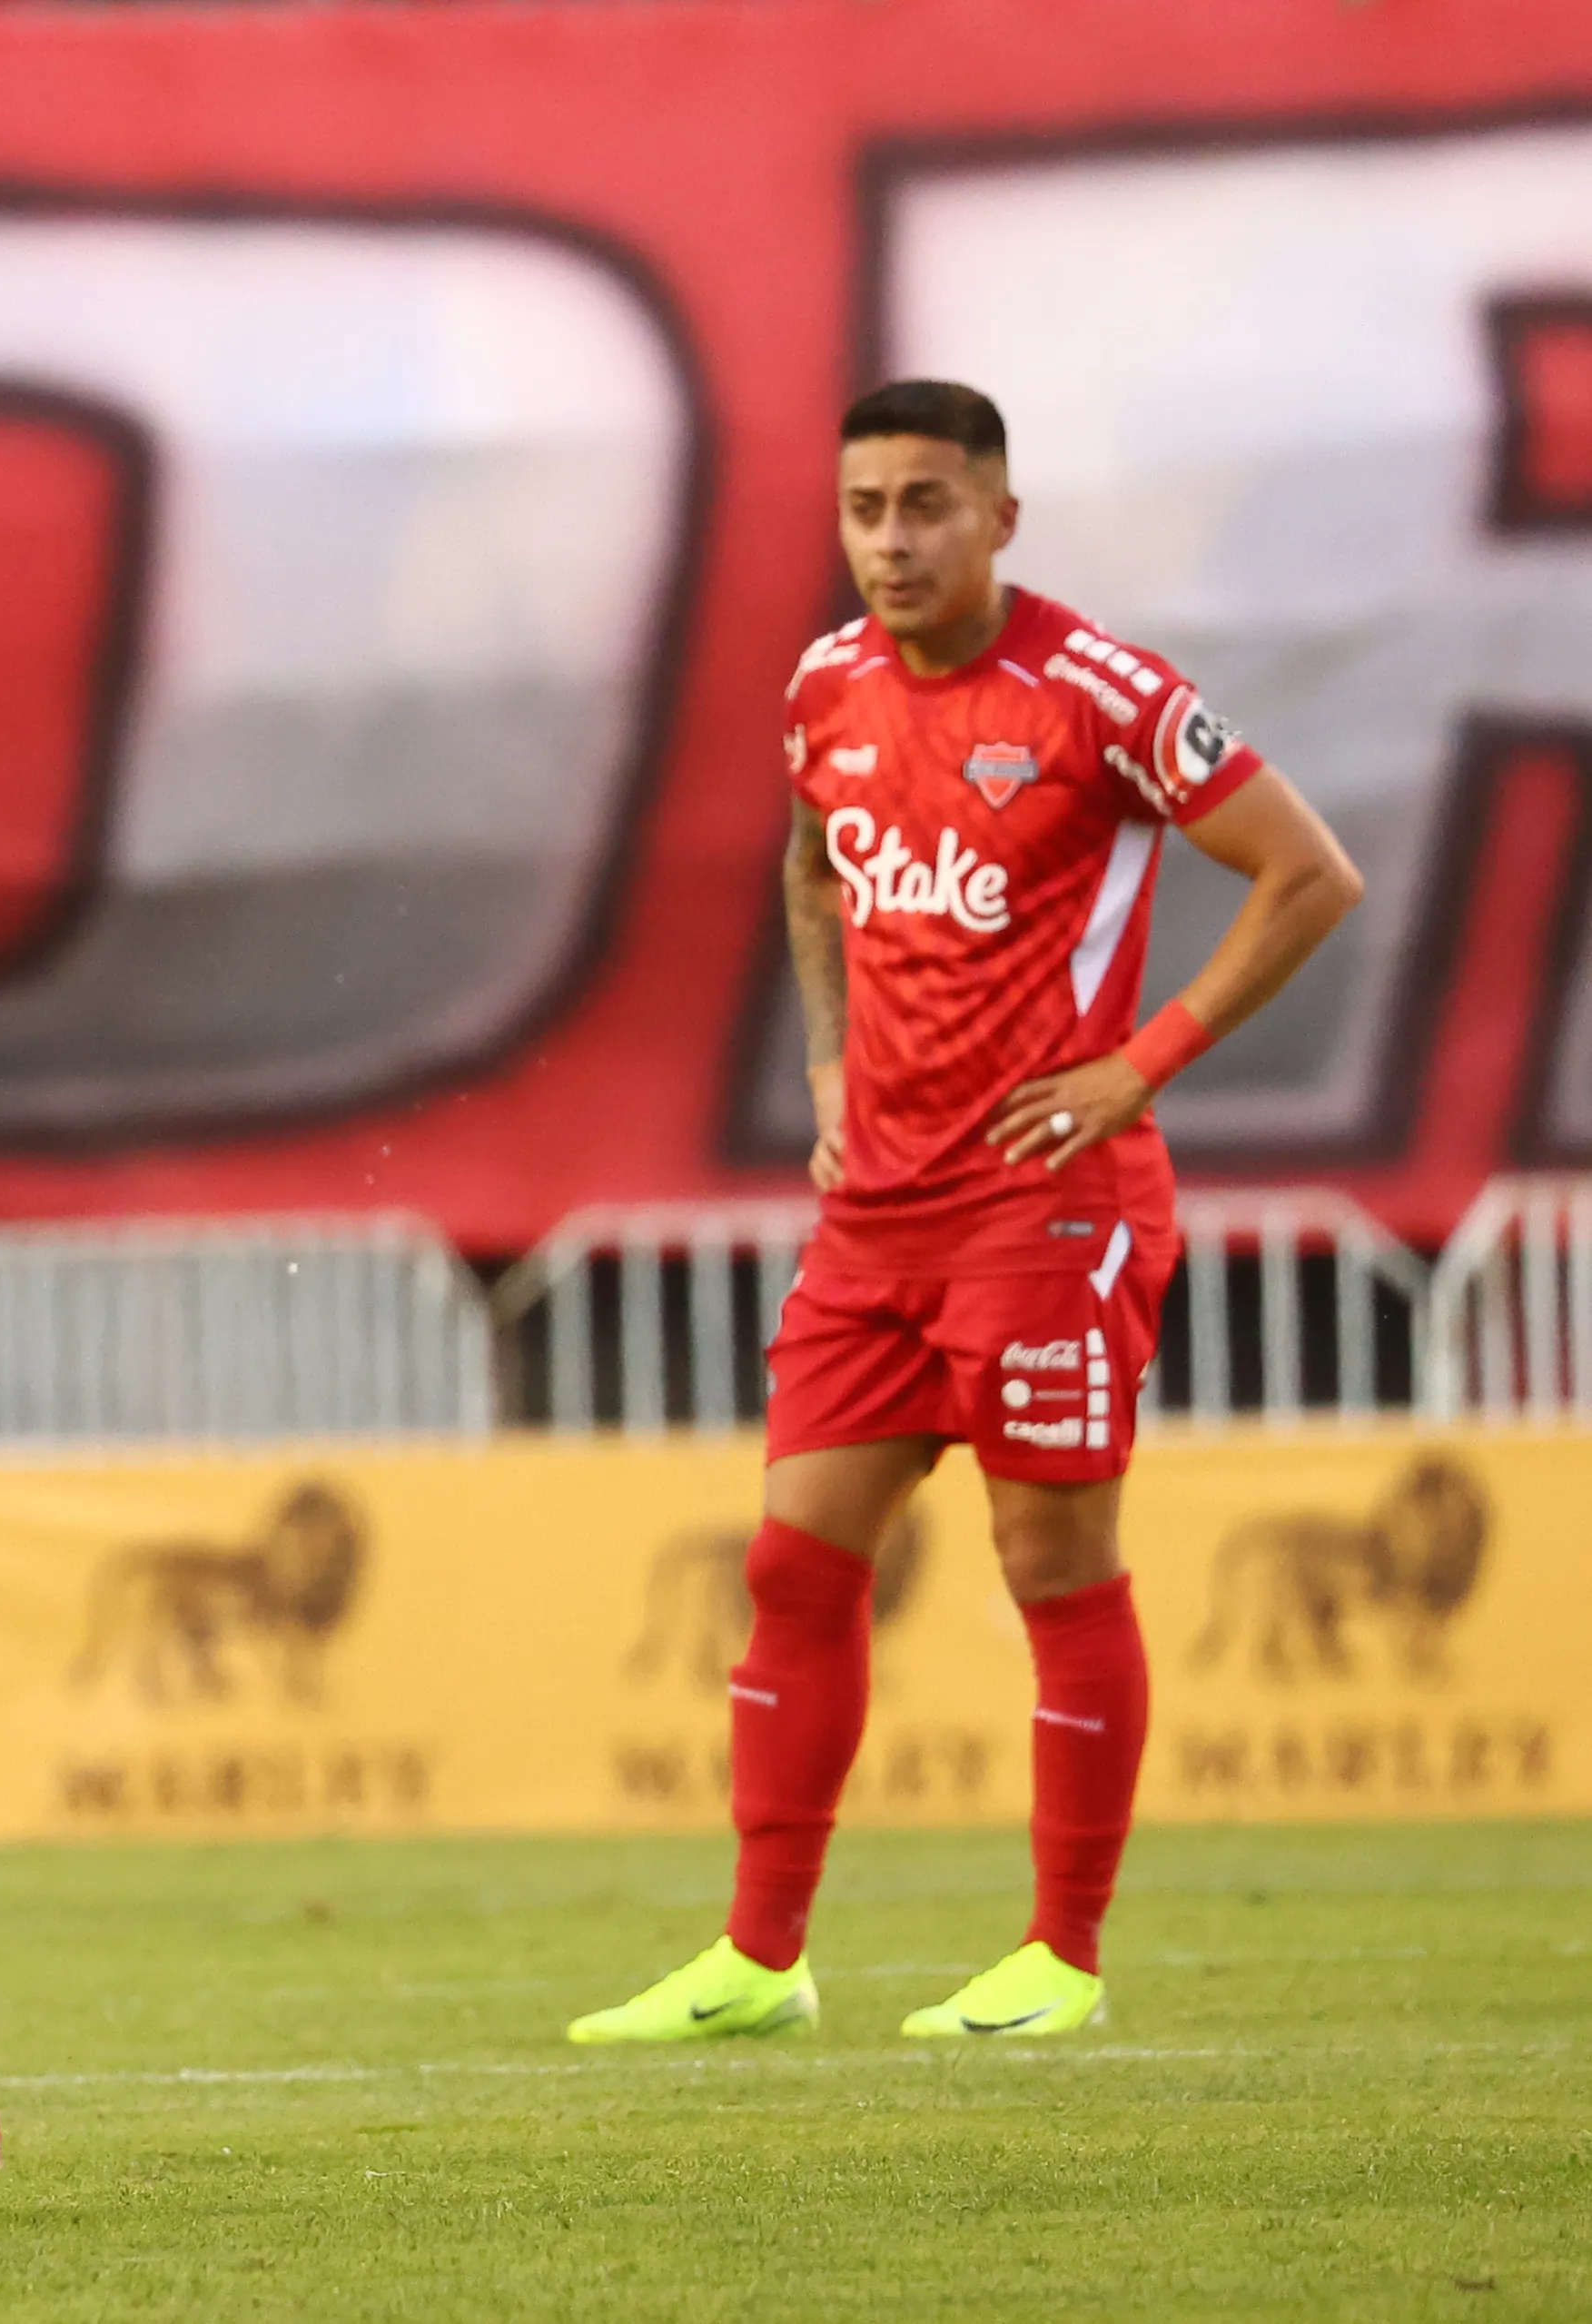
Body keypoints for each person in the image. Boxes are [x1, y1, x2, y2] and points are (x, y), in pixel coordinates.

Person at [570, 380, 1362, 2047]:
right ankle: (760, 1958)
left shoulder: (1099, 697)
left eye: (925, 505)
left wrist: (1141, 1062)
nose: (890, 540)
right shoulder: (825, 688)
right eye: (864, 507)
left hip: (1049, 1210)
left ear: (1000, 517)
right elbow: (807, 866)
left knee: (1049, 1562)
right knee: (792, 1562)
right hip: (880, 1217)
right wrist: (830, 1067)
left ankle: (1060, 1955)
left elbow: (1309, 872)